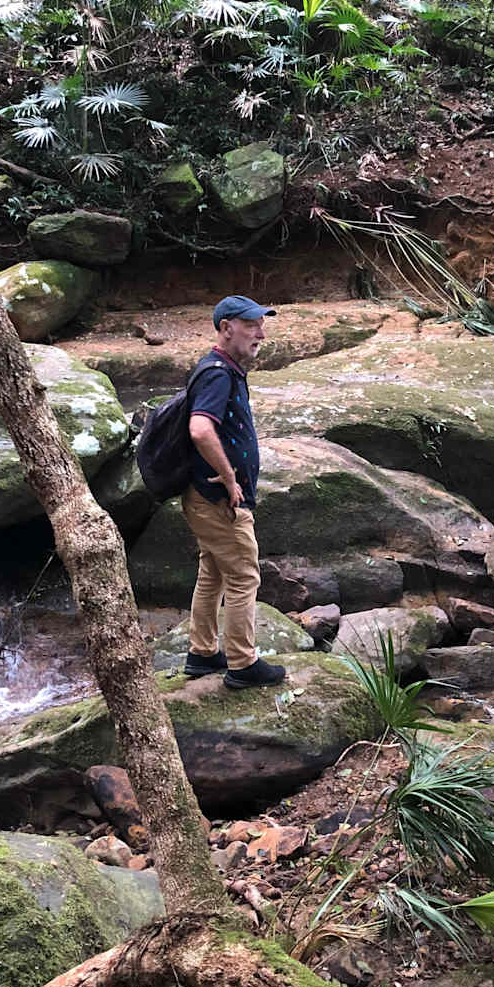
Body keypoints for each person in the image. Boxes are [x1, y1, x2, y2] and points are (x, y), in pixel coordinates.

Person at [182, 295, 287, 690]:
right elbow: (200, 429)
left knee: (213, 572)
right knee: (244, 575)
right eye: (251, 325)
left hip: (204, 497)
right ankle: (243, 664)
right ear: (227, 328)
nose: (261, 333)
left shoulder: (220, 368)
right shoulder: (218, 374)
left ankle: (202, 652)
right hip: (218, 500)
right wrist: (229, 477)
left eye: (262, 324)